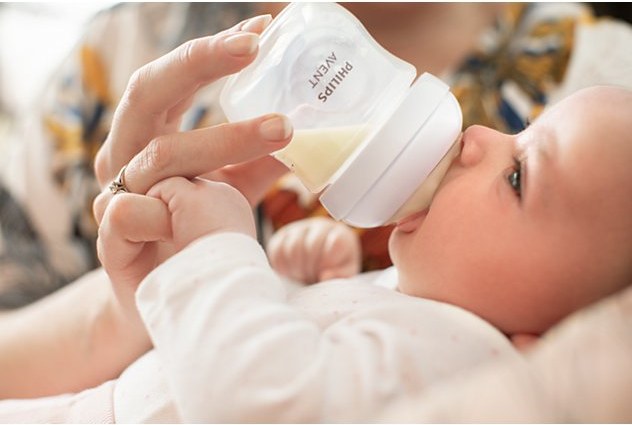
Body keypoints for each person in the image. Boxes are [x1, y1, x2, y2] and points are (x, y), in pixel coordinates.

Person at [1, 28, 630, 417]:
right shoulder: (434, 311)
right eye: (520, 130)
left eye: (519, 175)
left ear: (562, 339)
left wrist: (213, 252)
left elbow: (260, 404)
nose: (480, 137)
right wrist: (305, 288)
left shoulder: (468, 358)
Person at [3, 2, 632, 308]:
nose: (476, 137)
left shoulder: (608, 89)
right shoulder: (122, 54)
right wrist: (135, 303)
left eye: (518, 171)